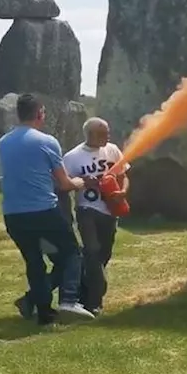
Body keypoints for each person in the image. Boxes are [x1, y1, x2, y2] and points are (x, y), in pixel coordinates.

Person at [0, 93, 95, 324]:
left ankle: (43, 312)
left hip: (13, 213)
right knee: (72, 252)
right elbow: (65, 183)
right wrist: (82, 182)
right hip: (43, 211)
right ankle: (69, 301)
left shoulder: (4, 142)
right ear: (40, 113)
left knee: (34, 262)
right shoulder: (46, 141)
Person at [62, 117, 129, 316]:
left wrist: (123, 192)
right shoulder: (73, 156)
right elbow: (64, 183)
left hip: (110, 211)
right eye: (103, 133)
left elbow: (123, 175)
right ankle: (95, 301)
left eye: (108, 132)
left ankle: (83, 294)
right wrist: (83, 180)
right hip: (87, 209)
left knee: (102, 255)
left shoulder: (113, 150)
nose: (108, 136)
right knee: (92, 251)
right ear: (90, 135)